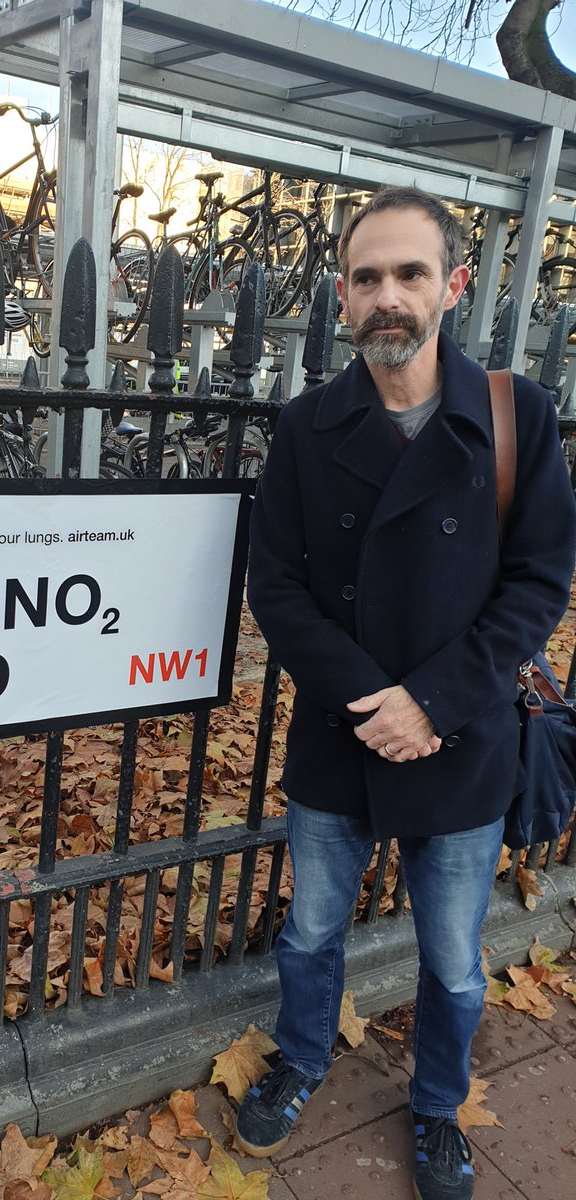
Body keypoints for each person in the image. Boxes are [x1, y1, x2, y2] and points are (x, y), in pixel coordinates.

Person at [240, 187, 575, 1200]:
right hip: (343, 741)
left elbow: (539, 580)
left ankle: (437, 1107)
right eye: (367, 277)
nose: (388, 296)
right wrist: (370, 701)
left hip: (462, 740)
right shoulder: (306, 426)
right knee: (310, 932)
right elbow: (279, 586)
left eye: (410, 274)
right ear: (342, 298)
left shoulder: (515, 418)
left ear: (454, 286)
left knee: (456, 962)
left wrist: (430, 702)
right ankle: (303, 1057)